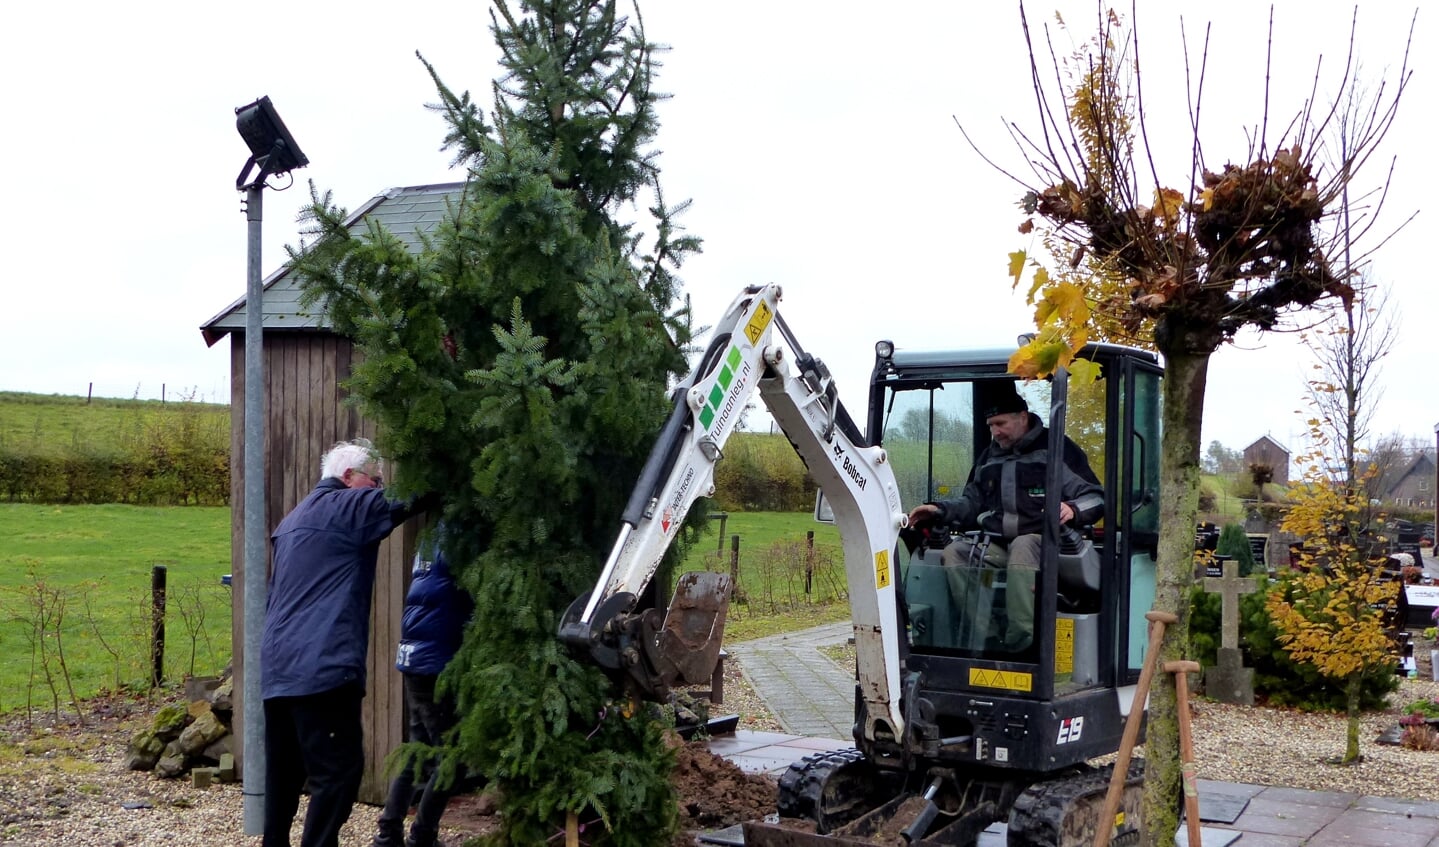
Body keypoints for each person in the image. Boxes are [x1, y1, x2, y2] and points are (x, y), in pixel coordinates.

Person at [261, 438, 432, 847]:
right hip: (322, 666)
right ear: (349, 476)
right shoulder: (348, 506)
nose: (378, 490)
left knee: (284, 775)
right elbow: (420, 491)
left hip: (277, 667)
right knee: (339, 772)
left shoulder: (293, 519)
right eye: (374, 481)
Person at [907, 382, 1103, 651]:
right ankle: (986, 639)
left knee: (1023, 545)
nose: (994, 431)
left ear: (1022, 417)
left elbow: (1095, 496)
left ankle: (1020, 645)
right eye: (990, 425)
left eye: (1000, 423)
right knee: (955, 553)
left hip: (1047, 546)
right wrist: (939, 510)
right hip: (1000, 546)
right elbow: (971, 503)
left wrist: (1073, 509)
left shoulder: (1056, 449)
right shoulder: (989, 458)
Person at [374, 529, 474, 847]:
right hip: (436, 662)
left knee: (418, 752)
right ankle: (423, 835)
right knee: (452, 760)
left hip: (415, 656)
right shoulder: (464, 538)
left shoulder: (434, 536)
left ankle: (388, 834)